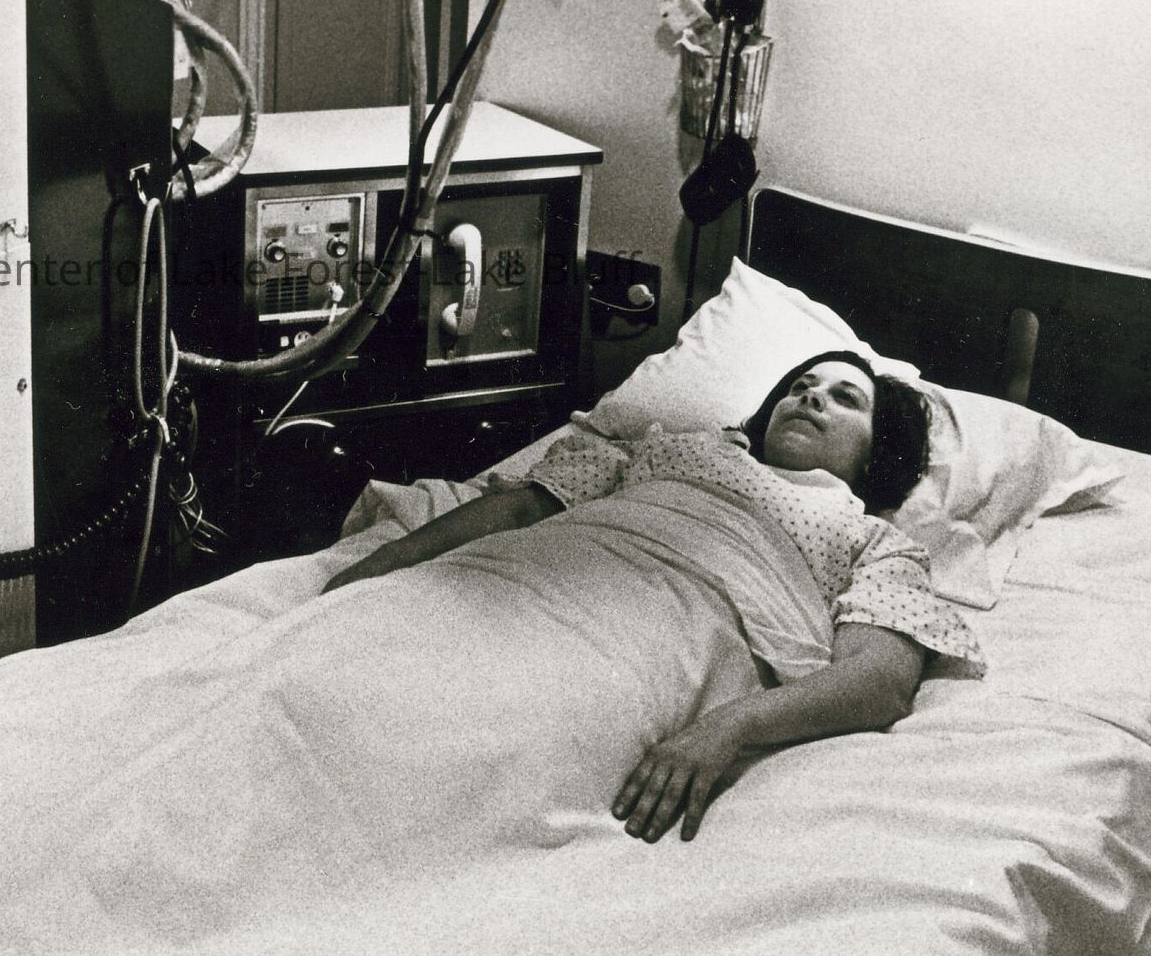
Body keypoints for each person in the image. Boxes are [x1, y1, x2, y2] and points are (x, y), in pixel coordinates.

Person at [322, 351, 980, 845]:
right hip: (542, 573)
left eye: (844, 399)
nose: (811, 398)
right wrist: (390, 564)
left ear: (876, 450)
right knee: (347, 658)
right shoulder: (673, 451)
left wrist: (731, 726)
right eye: (800, 387)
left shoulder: (873, 541)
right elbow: (525, 507)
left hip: (659, 637)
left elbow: (879, 681)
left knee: (459, 736)